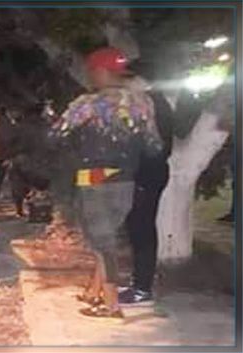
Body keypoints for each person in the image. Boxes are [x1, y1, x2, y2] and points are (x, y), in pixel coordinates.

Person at [50, 47, 163, 319]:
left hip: (94, 177)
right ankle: (93, 290)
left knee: (102, 243)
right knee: (107, 236)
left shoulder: (87, 104)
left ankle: (111, 305)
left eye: (92, 71)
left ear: (100, 72)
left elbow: (57, 135)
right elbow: (154, 147)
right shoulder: (142, 103)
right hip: (126, 178)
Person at [121, 72, 175, 306]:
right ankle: (140, 282)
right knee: (139, 229)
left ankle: (142, 288)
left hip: (146, 175)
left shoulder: (149, 104)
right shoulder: (156, 101)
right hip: (149, 174)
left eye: (126, 81)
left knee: (141, 230)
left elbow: (150, 146)